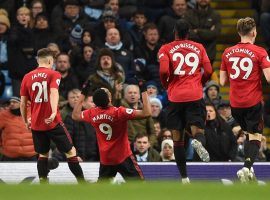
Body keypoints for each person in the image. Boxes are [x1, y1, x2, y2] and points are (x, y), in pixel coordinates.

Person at [158, 19, 213, 183]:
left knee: (178, 140)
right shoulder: (199, 47)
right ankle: (197, 142)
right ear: (188, 32)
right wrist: (200, 82)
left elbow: (162, 70)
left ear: (175, 31)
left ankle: (184, 177)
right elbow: (209, 70)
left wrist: (166, 84)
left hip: (175, 97)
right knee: (198, 132)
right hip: (195, 95)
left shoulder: (165, 48)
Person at [20, 48, 85, 183]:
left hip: (37, 124)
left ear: (38, 60)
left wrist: (26, 120)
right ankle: (82, 183)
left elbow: (23, 103)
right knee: (71, 152)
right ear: (50, 60)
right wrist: (54, 111)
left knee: (43, 154)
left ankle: (44, 183)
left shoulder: (27, 77)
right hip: (53, 122)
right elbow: (53, 92)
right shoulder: (54, 74)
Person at [220, 17, 270, 183]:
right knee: (256, 137)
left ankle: (251, 174)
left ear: (238, 32)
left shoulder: (227, 52)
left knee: (250, 135)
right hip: (252, 102)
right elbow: (269, 78)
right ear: (254, 32)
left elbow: (222, 81)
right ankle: (246, 168)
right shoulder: (260, 51)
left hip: (235, 104)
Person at [72, 88, 152, 181]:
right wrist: (144, 91)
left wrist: (83, 93)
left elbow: (75, 115)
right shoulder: (119, 112)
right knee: (139, 187)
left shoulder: (92, 113)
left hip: (106, 159)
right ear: (109, 98)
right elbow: (147, 113)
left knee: (102, 190)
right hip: (123, 156)